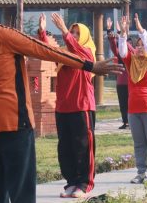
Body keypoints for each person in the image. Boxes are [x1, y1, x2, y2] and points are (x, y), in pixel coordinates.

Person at [0, 0, 122, 202]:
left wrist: (89, 66)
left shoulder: (6, 36)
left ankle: (83, 182)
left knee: (21, 196)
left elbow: (46, 50)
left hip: (15, 129)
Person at [37, 13, 98, 198]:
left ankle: (84, 184)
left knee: (83, 146)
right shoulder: (64, 55)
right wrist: (42, 33)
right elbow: (47, 51)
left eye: (77, 33)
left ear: (85, 37)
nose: (74, 35)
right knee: (65, 148)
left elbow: (77, 49)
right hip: (63, 107)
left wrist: (64, 31)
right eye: (73, 32)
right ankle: (71, 182)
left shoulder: (87, 53)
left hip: (82, 106)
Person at [118, 14, 147, 184]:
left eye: (142, 45)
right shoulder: (132, 62)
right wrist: (123, 33)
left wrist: (141, 31)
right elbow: (123, 50)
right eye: (137, 46)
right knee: (139, 144)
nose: (139, 48)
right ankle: (140, 172)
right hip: (134, 109)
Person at [107, 17, 131, 129]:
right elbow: (115, 47)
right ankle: (125, 122)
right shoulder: (120, 55)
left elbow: (123, 43)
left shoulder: (132, 53)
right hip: (121, 83)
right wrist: (110, 32)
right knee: (123, 104)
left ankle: (132, 121)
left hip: (131, 83)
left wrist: (122, 31)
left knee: (131, 103)